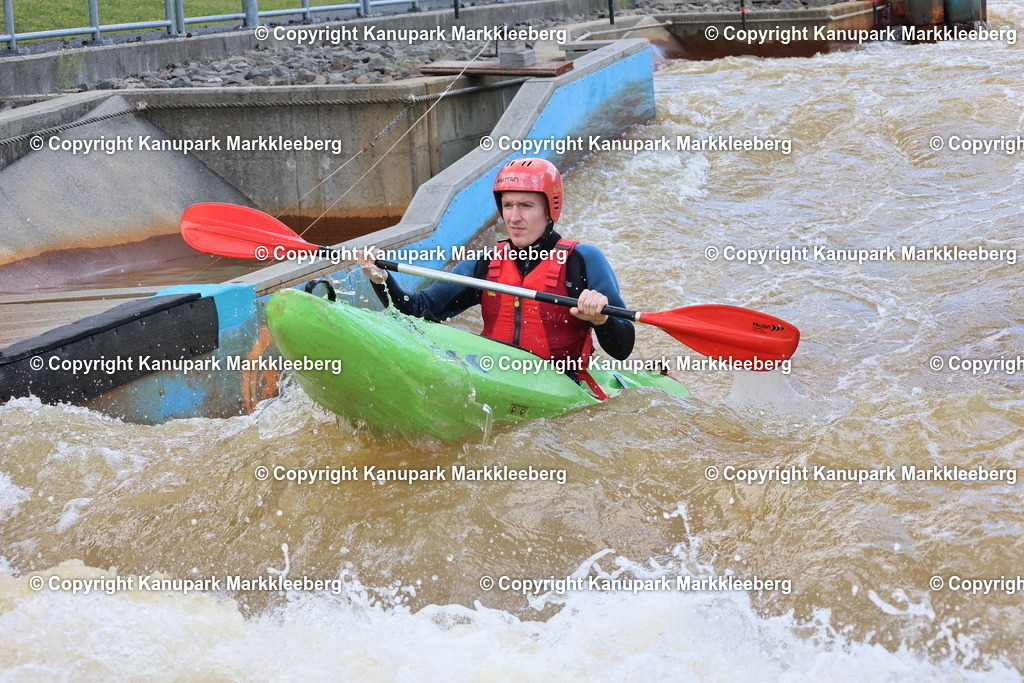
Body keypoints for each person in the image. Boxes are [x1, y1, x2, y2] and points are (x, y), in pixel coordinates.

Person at [356, 157, 633, 398]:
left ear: (550, 210)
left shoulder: (582, 260)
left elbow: (622, 348)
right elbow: (419, 310)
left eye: (526, 206)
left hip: (560, 384)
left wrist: (601, 318)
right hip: (494, 377)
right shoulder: (485, 264)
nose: (514, 217)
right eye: (508, 205)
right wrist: (381, 279)